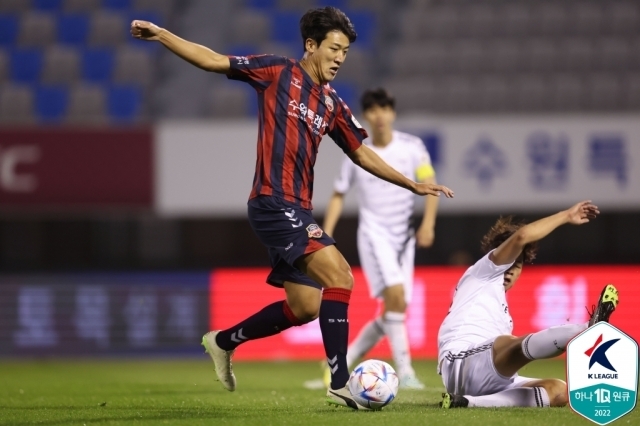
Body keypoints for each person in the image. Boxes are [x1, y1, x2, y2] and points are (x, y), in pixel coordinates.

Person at [130, 7, 453, 410]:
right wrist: (163, 35)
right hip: (271, 201)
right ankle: (339, 382)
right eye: (334, 48)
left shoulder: (332, 103)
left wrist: (412, 184)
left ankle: (223, 342)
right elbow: (213, 59)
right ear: (311, 45)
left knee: (306, 307)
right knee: (340, 276)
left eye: (346, 52)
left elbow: (361, 154)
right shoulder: (278, 72)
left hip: (298, 209)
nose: (339, 58)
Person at [303, 88, 438, 391]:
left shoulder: (413, 147)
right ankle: (405, 372)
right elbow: (338, 194)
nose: (379, 116)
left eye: (384, 109)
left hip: (403, 238)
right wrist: (326, 231)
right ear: (366, 116)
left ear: (392, 113)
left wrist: (428, 223)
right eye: (373, 110)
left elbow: (429, 182)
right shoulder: (356, 152)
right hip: (374, 234)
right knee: (396, 298)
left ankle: (339, 363)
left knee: (395, 308)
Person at [437, 200, 619, 409]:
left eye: (518, 265)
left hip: (487, 379)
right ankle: (587, 329)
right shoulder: (484, 271)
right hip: (460, 362)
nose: (511, 270)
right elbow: (522, 237)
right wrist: (566, 215)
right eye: (509, 262)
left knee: (559, 391)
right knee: (508, 344)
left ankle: (468, 403)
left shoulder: (502, 311)